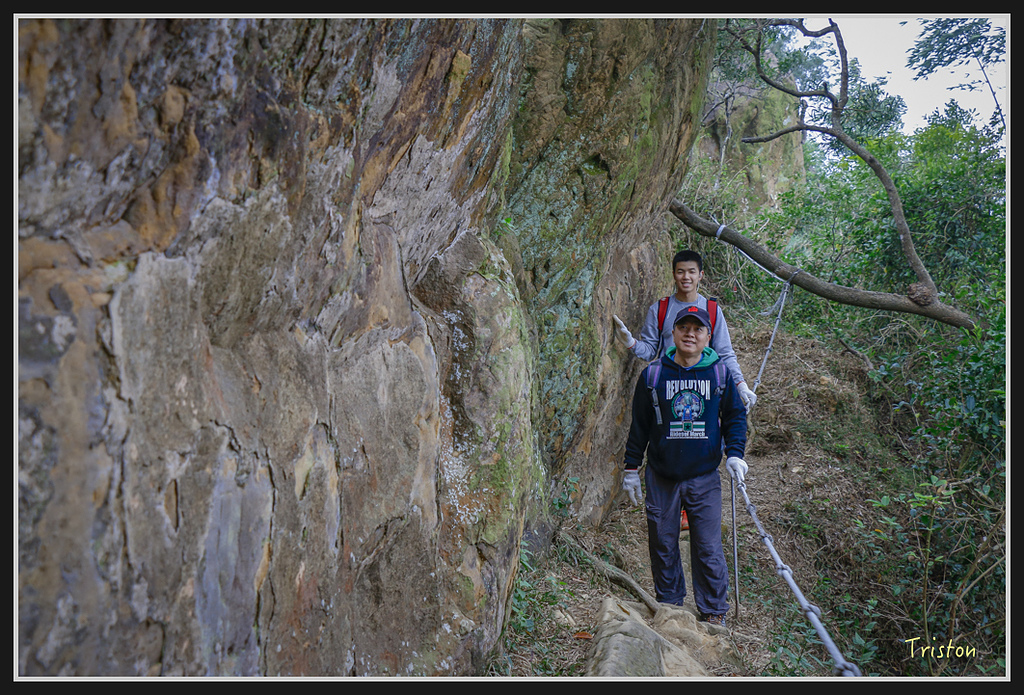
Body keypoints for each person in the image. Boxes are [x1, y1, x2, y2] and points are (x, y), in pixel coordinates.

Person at [621, 306, 748, 627]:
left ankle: (713, 610)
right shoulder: (653, 375)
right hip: (661, 474)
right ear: (673, 333)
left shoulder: (719, 374)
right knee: (663, 541)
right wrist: (630, 469)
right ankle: (671, 604)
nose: (690, 334)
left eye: (698, 329)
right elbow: (639, 426)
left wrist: (735, 453)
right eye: (684, 328)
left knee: (707, 545)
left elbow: (735, 416)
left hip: (704, 475)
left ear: (708, 337)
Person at [613, 250, 757, 410]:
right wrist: (630, 342)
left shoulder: (712, 310)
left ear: (700, 275)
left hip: (705, 386)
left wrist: (740, 384)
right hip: (668, 384)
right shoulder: (660, 309)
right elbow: (650, 351)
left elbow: (725, 353)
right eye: (681, 272)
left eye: (691, 272)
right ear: (674, 274)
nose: (686, 277)